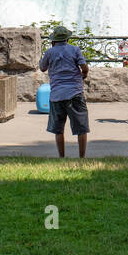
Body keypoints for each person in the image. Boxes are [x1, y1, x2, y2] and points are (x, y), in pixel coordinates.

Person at [39, 26, 90, 158]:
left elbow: (42, 68)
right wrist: (83, 74)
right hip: (75, 93)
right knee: (81, 128)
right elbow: (84, 66)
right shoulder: (75, 50)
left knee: (58, 129)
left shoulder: (50, 52)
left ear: (53, 40)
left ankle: (61, 157)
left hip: (57, 95)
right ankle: (82, 157)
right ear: (67, 38)